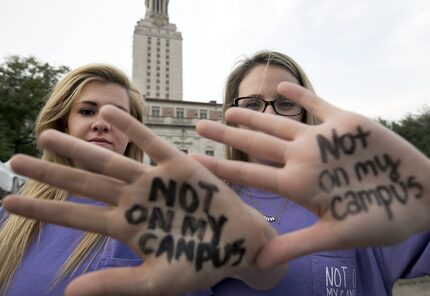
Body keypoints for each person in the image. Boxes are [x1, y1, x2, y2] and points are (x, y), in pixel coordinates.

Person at [3, 51, 430, 296]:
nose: (266, 115)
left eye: (284, 102)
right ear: (228, 116)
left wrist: (423, 188)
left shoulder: (358, 198)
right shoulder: (195, 206)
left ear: (307, 110)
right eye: (249, 104)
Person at [0, 64, 147, 295]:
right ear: (64, 125)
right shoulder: (10, 217)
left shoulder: (156, 220)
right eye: (87, 111)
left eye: (118, 115)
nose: (101, 123)